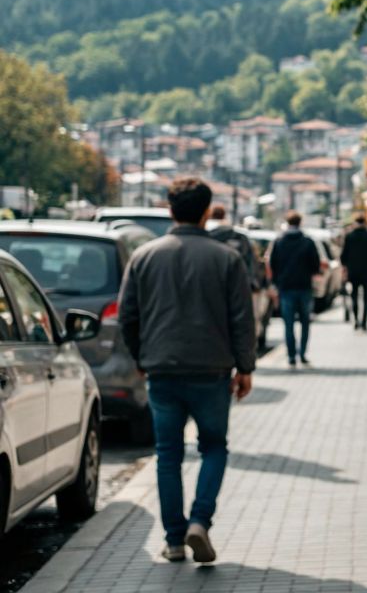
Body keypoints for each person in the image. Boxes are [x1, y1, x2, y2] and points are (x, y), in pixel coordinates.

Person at [117, 178, 255, 564]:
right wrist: (245, 367)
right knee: (213, 447)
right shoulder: (226, 258)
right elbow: (242, 319)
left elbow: (127, 316)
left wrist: (141, 357)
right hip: (211, 370)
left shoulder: (143, 256)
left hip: (161, 369)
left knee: (168, 455)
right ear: (207, 211)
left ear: (168, 209)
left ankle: (174, 539)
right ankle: (200, 520)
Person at [268, 211, 322, 367]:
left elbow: (273, 265)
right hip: (304, 287)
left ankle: (291, 355)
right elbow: (315, 265)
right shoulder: (307, 242)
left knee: (288, 323)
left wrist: (277, 281)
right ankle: (303, 354)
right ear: (300, 223)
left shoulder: (279, 242)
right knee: (305, 322)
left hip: (285, 288)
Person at [207, 204, 263, 292]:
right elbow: (249, 259)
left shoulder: (205, 233)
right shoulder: (237, 235)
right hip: (235, 281)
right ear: (224, 215)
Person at [340, 214, 367, 331]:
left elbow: (343, 256)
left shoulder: (349, 236)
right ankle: (364, 323)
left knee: (354, 296)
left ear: (355, 222)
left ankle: (356, 321)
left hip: (353, 272)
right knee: (366, 297)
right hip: (366, 272)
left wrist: (346, 266)